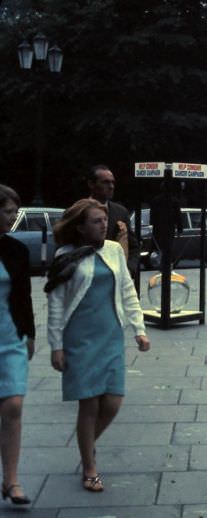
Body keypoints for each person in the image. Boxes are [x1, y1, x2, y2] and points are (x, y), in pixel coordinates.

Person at [46, 199, 150, 492]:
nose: (103, 225)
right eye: (96, 221)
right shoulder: (66, 256)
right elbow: (55, 303)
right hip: (79, 338)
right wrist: (56, 345)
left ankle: (85, 445)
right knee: (89, 404)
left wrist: (139, 330)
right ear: (80, 227)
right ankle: (89, 465)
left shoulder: (115, 251)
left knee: (113, 402)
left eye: (104, 220)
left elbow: (128, 290)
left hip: (111, 334)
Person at [0, 185, 34, 506]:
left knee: (13, 406)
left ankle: (11, 480)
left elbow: (23, 296)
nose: (13, 218)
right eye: (8, 212)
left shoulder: (16, 250)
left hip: (9, 337)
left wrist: (31, 335)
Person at [87, 165, 139, 275]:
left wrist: (129, 270)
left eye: (112, 182)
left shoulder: (120, 212)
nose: (111, 186)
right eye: (105, 182)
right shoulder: (79, 211)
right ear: (91, 184)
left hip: (116, 278)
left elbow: (134, 247)